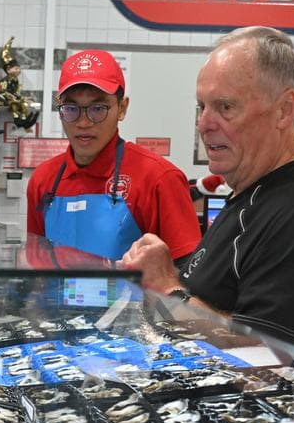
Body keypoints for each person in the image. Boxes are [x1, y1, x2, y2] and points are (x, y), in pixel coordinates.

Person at [123, 27, 294, 362]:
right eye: (201, 106)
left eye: (225, 107)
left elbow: (265, 361)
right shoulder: (250, 194)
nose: (204, 123)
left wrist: (166, 286)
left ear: (284, 110)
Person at [25, 49, 202, 264]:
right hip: (55, 299)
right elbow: (37, 268)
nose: (83, 122)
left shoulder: (159, 178)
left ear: (122, 108)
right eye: (71, 108)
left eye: (98, 108)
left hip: (136, 299)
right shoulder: (43, 180)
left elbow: (187, 273)